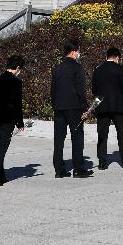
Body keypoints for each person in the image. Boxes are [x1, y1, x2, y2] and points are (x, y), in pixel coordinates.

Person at [50, 41, 93, 178]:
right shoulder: (77, 68)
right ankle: (78, 168)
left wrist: (55, 105)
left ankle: (59, 169)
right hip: (74, 107)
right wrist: (85, 108)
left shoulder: (57, 68)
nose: (79, 54)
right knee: (77, 138)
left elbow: (53, 90)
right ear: (74, 51)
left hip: (59, 107)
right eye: (78, 51)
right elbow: (81, 90)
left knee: (59, 139)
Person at [0, 55, 25, 187]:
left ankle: (0, 174)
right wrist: (20, 123)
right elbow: (17, 104)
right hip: (8, 119)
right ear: (18, 67)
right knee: (2, 148)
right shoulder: (16, 82)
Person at [92, 47, 123, 169]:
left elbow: (94, 89)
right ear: (117, 57)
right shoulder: (120, 69)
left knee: (102, 133)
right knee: (121, 133)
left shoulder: (98, 70)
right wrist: (120, 97)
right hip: (117, 105)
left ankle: (102, 161)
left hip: (102, 105)